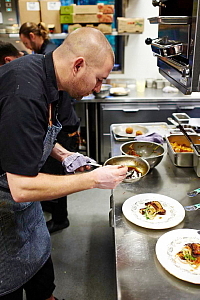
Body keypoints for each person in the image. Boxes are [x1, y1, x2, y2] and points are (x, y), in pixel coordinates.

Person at [0, 27, 128, 300]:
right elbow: (20, 187)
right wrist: (94, 179)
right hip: (4, 208)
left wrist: (63, 155)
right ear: (78, 65)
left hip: (25, 213)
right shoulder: (24, 93)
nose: (98, 88)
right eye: (98, 79)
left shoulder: (48, 75)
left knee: (39, 266)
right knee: (8, 282)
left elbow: (35, 134)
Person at [19, 21, 81, 233]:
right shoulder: (42, 59)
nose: (26, 45)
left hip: (63, 129)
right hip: (62, 126)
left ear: (32, 36)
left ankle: (60, 218)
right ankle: (49, 204)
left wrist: (91, 179)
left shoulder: (51, 58)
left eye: (25, 41)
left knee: (56, 177)